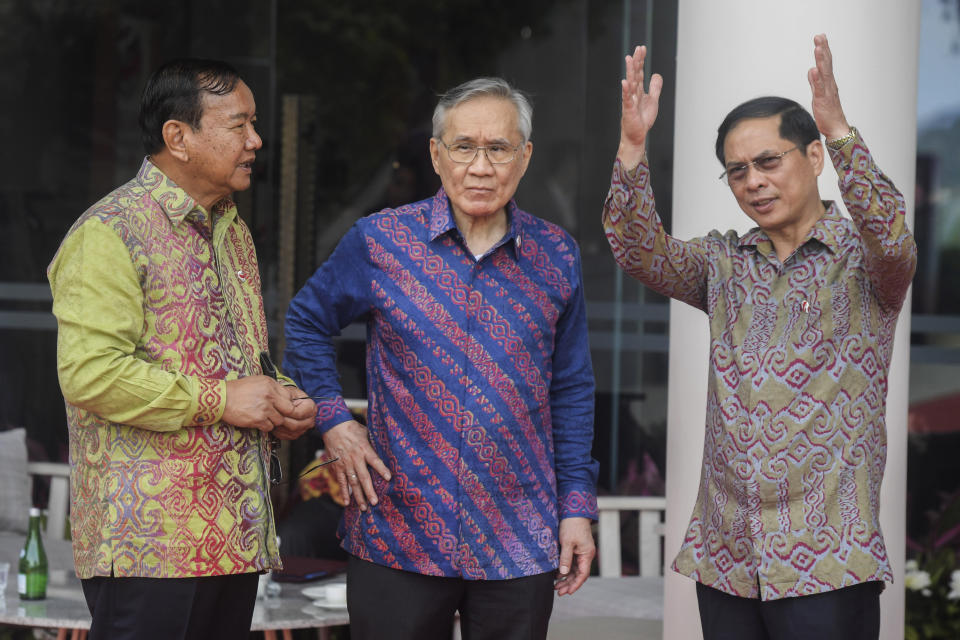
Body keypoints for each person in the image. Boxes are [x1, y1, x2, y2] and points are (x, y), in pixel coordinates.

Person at [603, 35, 917, 639]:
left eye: (770, 161)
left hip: (829, 558)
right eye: (738, 171)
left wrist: (841, 130)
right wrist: (633, 148)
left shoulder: (869, 264)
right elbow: (639, 251)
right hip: (727, 557)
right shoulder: (722, 263)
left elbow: (892, 234)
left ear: (813, 157)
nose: (754, 182)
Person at [284, 76, 599, 640]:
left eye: (498, 149)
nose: (481, 167)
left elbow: (571, 388)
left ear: (524, 157)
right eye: (464, 148)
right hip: (398, 528)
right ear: (436, 154)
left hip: (517, 537)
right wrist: (334, 422)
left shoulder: (557, 256)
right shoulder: (380, 241)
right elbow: (306, 322)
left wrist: (576, 506)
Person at [47, 58, 317, 640]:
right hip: (152, 542)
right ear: (179, 137)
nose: (256, 141)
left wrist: (277, 397)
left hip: (235, 535)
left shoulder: (231, 228)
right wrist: (222, 400)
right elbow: (91, 375)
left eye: (254, 125)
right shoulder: (111, 231)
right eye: (239, 125)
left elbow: (237, 361)